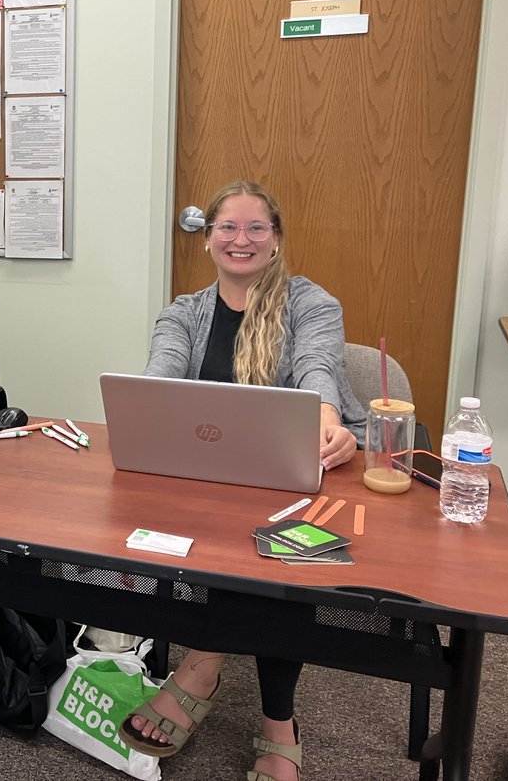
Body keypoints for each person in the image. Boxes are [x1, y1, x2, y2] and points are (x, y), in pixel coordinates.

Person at [118, 181, 363, 781]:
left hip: (301, 478)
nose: (242, 240)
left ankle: (211, 675)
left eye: (257, 228)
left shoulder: (311, 304)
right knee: (216, 544)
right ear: (208, 241)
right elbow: (161, 383)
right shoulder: (184, 311)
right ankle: (266, 715)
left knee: (275, 561)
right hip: (211, 479)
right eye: (228, 227)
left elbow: (316, 369)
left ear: (276, 240)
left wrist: (326, 422)